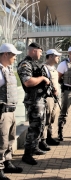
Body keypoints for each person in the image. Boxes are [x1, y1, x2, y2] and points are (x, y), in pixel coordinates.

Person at [17, 42, 50, 165]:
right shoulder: (25, 64)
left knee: (40, 125)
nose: (41, 54)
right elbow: (28, 82)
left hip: (39, 99)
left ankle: (34, 147)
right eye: (40, 51)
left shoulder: (35, 64)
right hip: (33, 100)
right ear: (34, 50)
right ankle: (27, 154)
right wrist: (43, 79)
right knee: (34, 127)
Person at [0, 43, 23, 179]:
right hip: (2, 113)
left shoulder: (7, 69)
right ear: (5, 54)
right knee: (1, 142)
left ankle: (7, 162)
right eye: (13, 55)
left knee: (10, 139)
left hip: (11, 111)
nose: (15, 58)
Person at [39, 49, 61, 151]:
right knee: (46, 119)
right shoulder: (43, 68)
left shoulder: (54, 68)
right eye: (56, 56)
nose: (58, 58)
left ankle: (49, 137)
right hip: (48, 97)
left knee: (52, 118)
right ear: (51, 56)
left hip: (55, 98)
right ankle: (42, 140)